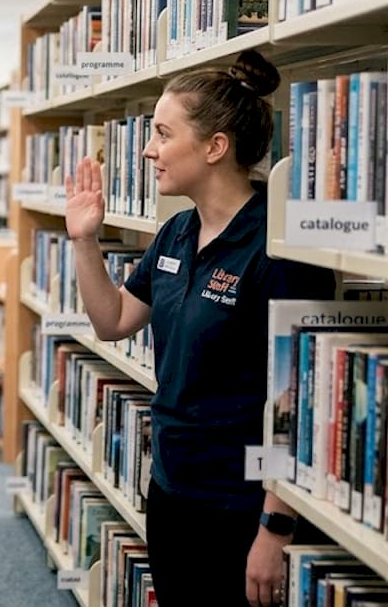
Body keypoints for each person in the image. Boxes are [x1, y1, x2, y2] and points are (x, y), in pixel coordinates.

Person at [63, 50, 335, 607]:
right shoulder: (177, 232)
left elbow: (298, 396)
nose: (147, 149)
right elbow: (113, 320)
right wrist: (84, 240)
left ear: (215, 147)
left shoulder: (277, 250)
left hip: (241, 504)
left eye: (163, 133)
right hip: (171, 485)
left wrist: (275, 528)